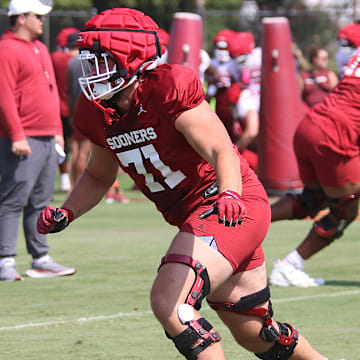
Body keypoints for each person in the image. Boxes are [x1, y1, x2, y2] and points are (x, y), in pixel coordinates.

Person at [37, 8, 327, 359]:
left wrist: (230, 192)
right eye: (90, 61)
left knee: (172, 303)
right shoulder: (95, 110)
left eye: (102, 60)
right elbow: (100, 175)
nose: (92, 71)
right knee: (256, 333)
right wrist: (68, 211)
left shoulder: (167, 88)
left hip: (231, 204)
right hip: (196, 217)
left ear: (131, 58)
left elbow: (221, 149)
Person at [269, 35, 360, 288]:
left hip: (311, 125)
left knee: (312, 200)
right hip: (334, 135)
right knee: (344, 210)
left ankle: (241, 220)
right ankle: (290, 265)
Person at [0, 0, 76, 281]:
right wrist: (17, 135)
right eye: (37, 16)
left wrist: (57, 130)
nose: (42, 21)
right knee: (12, 199)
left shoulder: (41, 48)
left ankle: (41, 258)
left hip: (46, 135)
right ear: (20, 18)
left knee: (41, 200)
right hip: (22, 137)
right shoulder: (7, 49)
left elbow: (52, 91)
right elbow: (4, 95)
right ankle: (5, 260)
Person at [51, 28, 80, 191]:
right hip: (76, 108)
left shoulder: (56, 59)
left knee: (59, 147)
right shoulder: (81, 60)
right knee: (79, 147)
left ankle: (63, 179)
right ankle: (75, 183)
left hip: (57, 109)